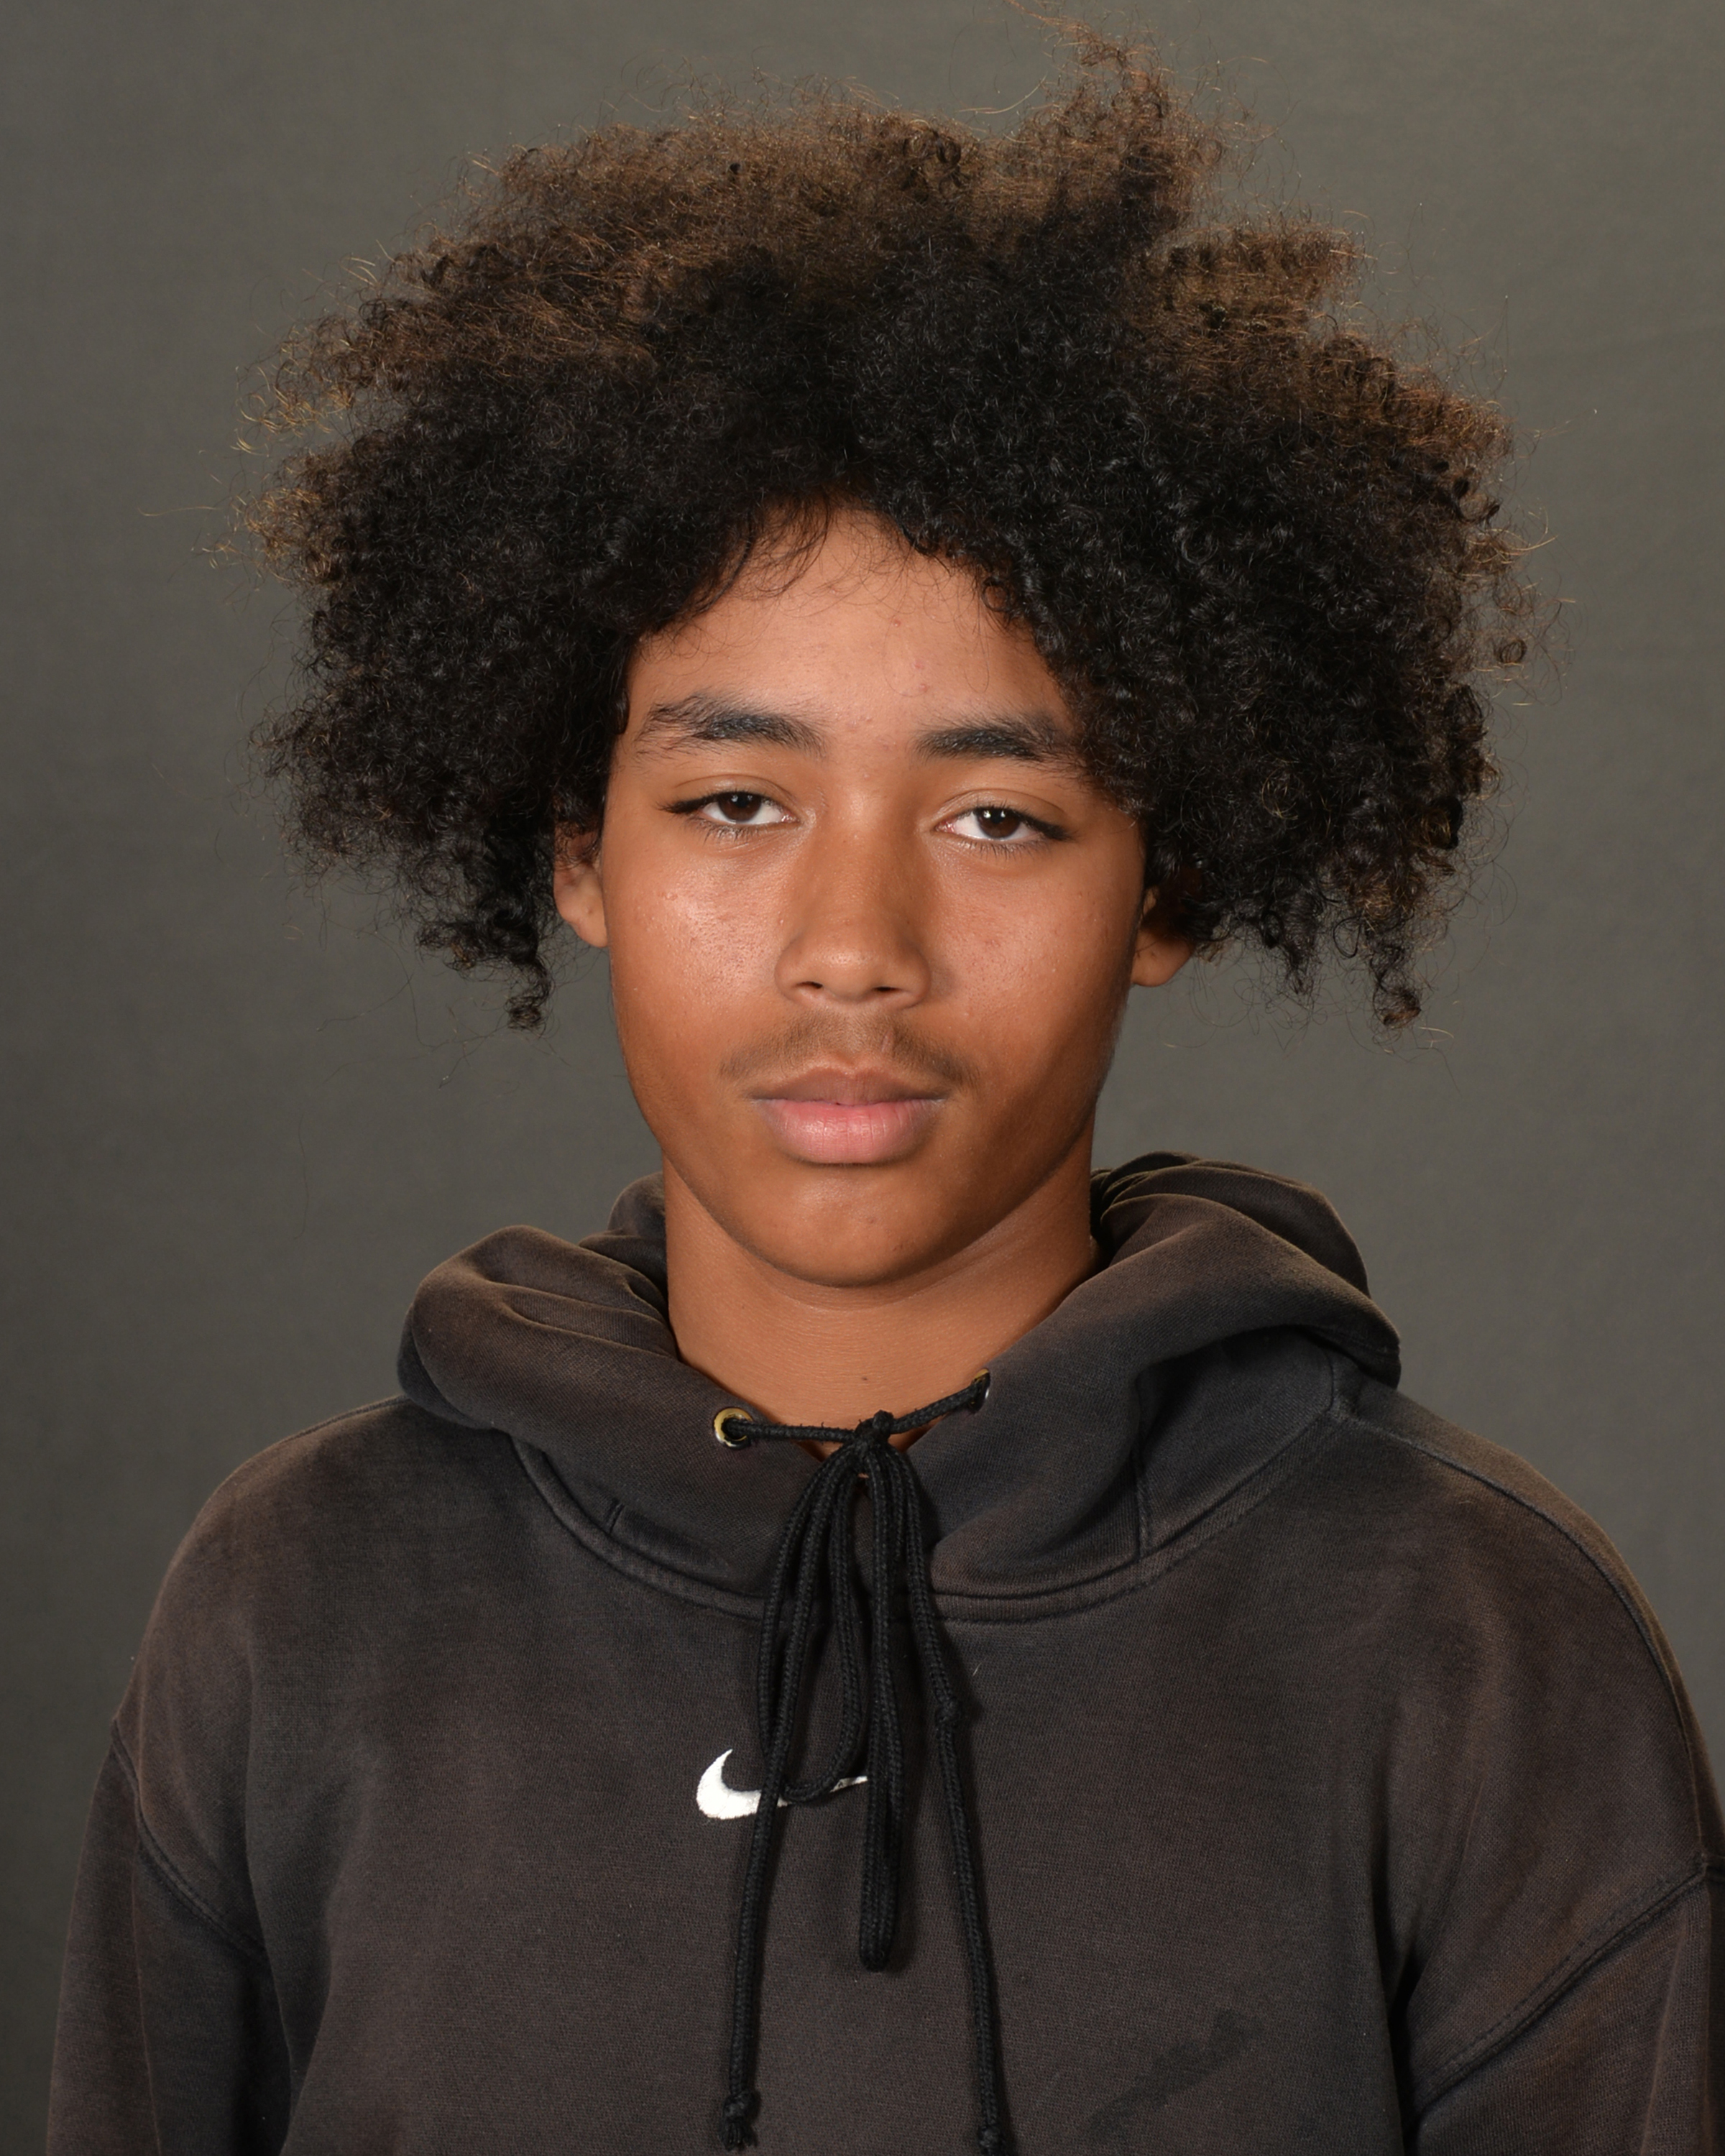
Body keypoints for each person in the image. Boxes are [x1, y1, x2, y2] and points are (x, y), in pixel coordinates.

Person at [48, 36, 1722, 2156]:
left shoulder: (1472, 1643)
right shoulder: (301, 1607)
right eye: (735, 801)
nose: (856, 944)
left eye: (998, 817)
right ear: (577, 852)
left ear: (1167, 885)